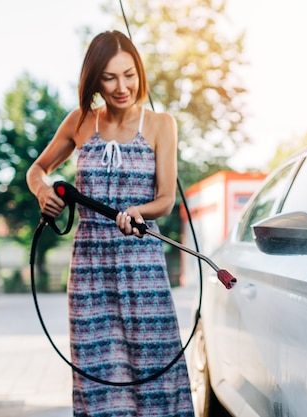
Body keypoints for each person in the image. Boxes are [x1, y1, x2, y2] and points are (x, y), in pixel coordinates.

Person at [26, 30, 194, 416]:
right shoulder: (81, 121)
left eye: (130, 74)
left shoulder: (160, 124)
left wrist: (139, 211)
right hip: (89, 270)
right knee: (96, 374)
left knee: (154, 370)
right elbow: (38, 169)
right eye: (110, 77)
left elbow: (166, 199)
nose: (123, 87)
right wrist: (42, 192)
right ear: (94, 80)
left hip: (143, 269)